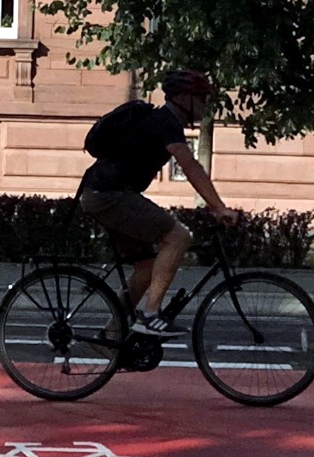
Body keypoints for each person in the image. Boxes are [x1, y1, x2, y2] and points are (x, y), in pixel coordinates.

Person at [80, 70, 239, 338]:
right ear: (183, 98)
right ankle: (150, 315)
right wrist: (219, 207)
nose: (205, 105)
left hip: (105, 193)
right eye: (200, 98)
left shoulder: (163, 122)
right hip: (109, 195)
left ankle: (110, 336)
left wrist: (215, 205)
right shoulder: (165, 122)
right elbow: (190, 167)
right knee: (178, 237)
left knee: (145, 269)